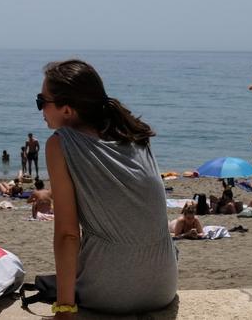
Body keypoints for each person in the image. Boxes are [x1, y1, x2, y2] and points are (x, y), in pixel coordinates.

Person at [37, 59, 177, 316]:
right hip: (163, 287)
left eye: (41, 102)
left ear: (67, 110)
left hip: (109, 293)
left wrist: (65, 308)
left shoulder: (60, 144)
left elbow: (68, 234)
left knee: (49, 282)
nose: (40, 110)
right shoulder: (133, 132)